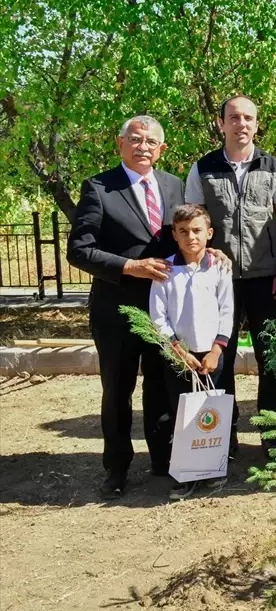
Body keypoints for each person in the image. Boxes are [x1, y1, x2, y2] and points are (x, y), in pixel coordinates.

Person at [67, 115, 184, 498]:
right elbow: (79, 250)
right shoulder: (99, 187)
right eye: (135, 139)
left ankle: (162, 459)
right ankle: (116, 467)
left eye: (151, 142)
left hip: (162, 309)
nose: (143, 146)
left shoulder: (173, 185)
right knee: (118, 389)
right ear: (120, 143)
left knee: (160, 385)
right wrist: (129, 267)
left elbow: (183, 238)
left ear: (162, 149)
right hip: (115, 309)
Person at [185, 94, 276, 451]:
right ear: (221, 124)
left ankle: (267, 437)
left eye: (248, 118)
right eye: (234, 117)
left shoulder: (273, 166)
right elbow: (194, 220)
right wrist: (207, 251)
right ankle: (223, 437)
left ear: (257, 124)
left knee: (269, 360)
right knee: (221, 359)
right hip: (219, 281)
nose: (242, 124)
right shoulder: (203, 168)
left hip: (265, 279)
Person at [148, 204, 234, 501]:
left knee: (211, 413)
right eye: (183, 232)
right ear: (174, 234)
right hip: (179, 355)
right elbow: (158, 317)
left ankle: (212, 469)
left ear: (209, 233)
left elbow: (227, 311)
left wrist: (216, 350)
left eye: (197, 231)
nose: (190, 237)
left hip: (211, 356)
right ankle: (185, 473)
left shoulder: (219, 267)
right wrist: (179, 350)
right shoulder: (166, 270)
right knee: (181, 413)